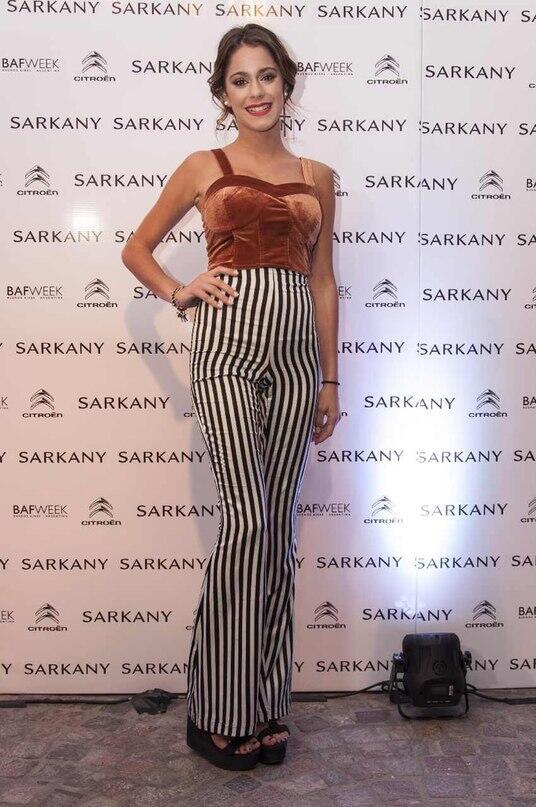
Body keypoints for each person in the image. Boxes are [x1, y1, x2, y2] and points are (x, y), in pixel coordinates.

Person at [121, 22, 340, 771]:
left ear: (287, 82)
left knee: (275, 530)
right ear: (223, 93)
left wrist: (331, 377)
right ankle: (216, 710)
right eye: (240, 80)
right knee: (246, 521)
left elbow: (323, 282)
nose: (256, 91)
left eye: (267, 76)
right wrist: (179, 290)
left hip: (297, 361)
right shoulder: (202, 166)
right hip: (227, 352)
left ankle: (266, 704)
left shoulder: (317, 175)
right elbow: (136, 249)